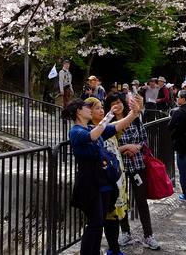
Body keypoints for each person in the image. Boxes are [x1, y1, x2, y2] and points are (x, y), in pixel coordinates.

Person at [61, 95, 138, 255]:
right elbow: (93, 136)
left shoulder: (91, 128)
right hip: (90, 181)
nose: (89, 110)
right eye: (86, 108)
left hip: (103, 180)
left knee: (100, 221)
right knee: (95, 223)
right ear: (78, 112)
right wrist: (109, 114)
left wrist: (134, 113)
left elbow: (116, 127)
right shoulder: (76, 131)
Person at [116, 102, 161, 250]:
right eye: (113, 103)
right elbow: (109, 146)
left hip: (137, 164)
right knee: (121, 200)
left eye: (119, 102)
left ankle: (148, 236)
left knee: (141, 200)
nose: (117, 105)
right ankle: (126, 233)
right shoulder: (111, 124)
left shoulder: (135, 119)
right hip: (119, 167)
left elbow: (145, 140)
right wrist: (125, 148)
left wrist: (137, 147)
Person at [101, 92, 140, 255]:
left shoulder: (107, 128)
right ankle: (113, 248)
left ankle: (114, 249)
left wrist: (136, 112)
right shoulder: (95, 131)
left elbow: (121, 124)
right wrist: (126, 147)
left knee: (114, 216)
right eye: (97, 108)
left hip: (118, 177)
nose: (101, 110)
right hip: (104, 181)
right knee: (104, 218)